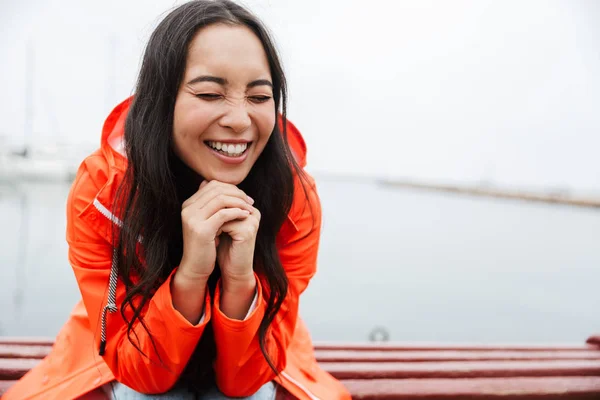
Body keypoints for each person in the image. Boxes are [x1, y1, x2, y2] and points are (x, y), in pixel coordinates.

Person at [4, 1, 351, 399]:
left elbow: (247, 380)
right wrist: (190, 275)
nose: (240, 120)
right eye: (209, 93)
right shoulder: (103, 193)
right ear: (160, 99)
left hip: (256, 357)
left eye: (259, 97)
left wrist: (239, 281)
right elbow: (141, 375)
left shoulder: (294, 200)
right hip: (130, 356)